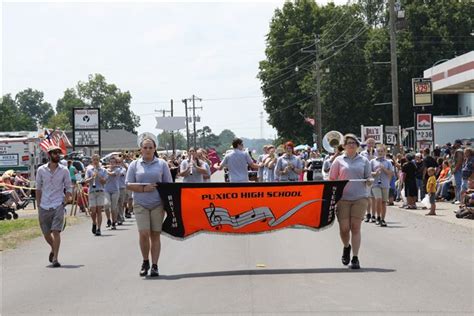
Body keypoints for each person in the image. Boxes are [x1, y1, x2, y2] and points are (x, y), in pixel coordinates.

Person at [126, 136, 172, 277]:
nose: (147, 150)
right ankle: (145, 261)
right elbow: (128, 184)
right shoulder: (134, 165)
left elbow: (168, 184)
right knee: (144, 233)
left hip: (157, 204)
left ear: (155, 149)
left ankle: (155, 265)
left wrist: (167, 205)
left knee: (155, 235)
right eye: (145, 147)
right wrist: (144, 189)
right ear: (141, 149)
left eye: (150, 147)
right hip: (140, 203)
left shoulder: (162, 164)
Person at [329, 134, 371, 270]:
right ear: (344, 146)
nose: (351, 145)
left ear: (357, 145)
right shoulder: (338, 161)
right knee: (344, 228)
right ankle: (346, 247)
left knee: (356, 227)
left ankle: (355, 257)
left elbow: (368, 177)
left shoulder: (364, 161)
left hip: (360, 197)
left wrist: (369, 180)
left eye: (354, 142)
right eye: (349, 143)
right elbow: (332, 179)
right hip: (343, 199)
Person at [35, 145, 72, 267]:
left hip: (58, 204)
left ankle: (55, 258)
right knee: (46, 233)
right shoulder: (41, 170)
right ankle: (53, 248)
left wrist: (65, 200)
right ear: (49, 155)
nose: (57, 155)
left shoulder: (64, 170)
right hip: (44, 204)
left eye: (58, 153)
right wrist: (39, 205)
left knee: (56, 231)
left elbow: (68, 187)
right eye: (55, 153)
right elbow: (38, 188)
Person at [84, 154, 108, 236]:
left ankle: (99, 228)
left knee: (99, 211)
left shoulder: (103, 170)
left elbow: (104, 182)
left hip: (100, 191)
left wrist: (98, 176)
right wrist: (92, 177)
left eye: (97, 160)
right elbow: (86, 181)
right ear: (92, 161)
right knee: (93, 210)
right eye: (94, 160)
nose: (95, 161)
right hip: (92, 191)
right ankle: (94, 222)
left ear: (99, 160)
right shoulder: (89, 170)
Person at [370, 145, 393, 226]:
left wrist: (384, 169)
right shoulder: (372, 161)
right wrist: (375, 173)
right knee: (378, 199)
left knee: (383, 202)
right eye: (378, 151)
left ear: (385, 152)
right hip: (375, 184)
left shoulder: (388, 162)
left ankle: (383, 219)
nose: (380, 153)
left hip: (385, 184)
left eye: (382, 151)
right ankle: (378, 217)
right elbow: (368, 173)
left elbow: (391, 173)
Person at [104, 156, 121, 230]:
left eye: (114, 162)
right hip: (106, 190)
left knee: (113, 208)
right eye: (111, 162)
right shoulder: (106, 169)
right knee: (106, 205)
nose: (112, 163)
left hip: (115, 190)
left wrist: (106, 170)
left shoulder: (118, 169)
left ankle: (114, 222)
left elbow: (112, 174)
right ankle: (108, 220)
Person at [451, 140, 464, 204]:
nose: (454, 144)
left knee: (458, 185)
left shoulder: (459, 151)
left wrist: (455, 169)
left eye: (455, 143)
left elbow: (459, 161)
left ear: (457, 144)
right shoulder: (458, 150)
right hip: (458, 169)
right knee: (457, 185)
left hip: (458, 169)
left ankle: (459, 199)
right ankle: (457, 198)